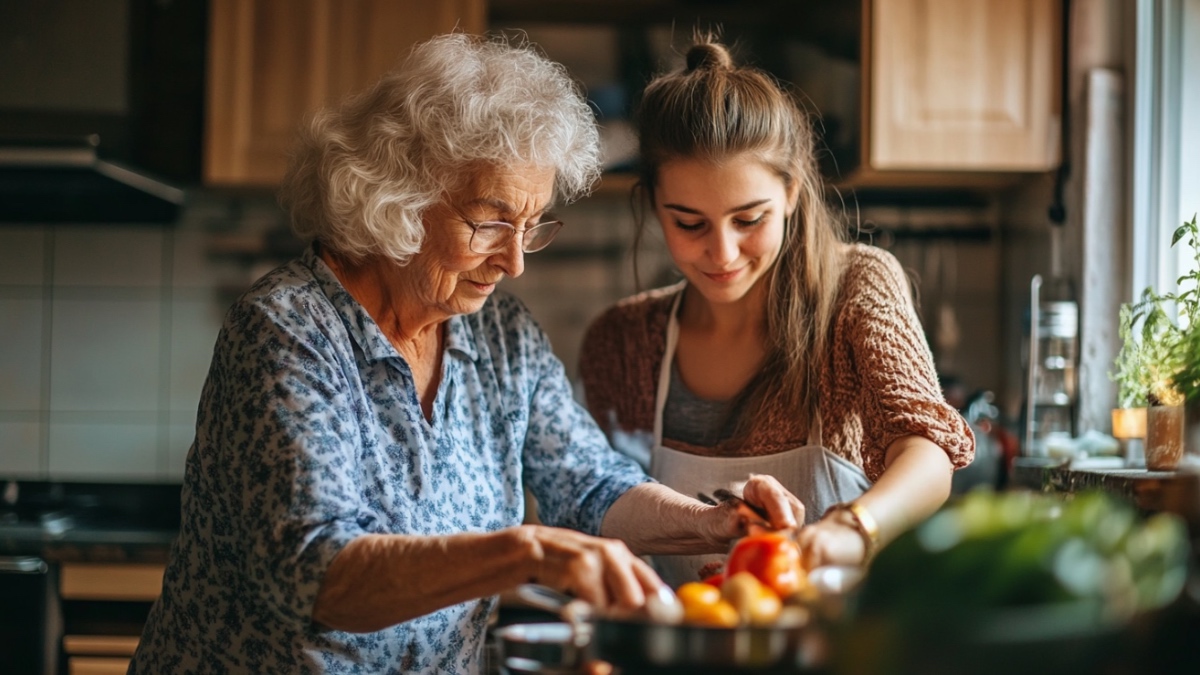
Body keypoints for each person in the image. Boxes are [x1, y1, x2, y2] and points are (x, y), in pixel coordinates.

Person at [128, 34, 802, 675]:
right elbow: (319, 573)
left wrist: (711, 520)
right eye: (490, 222)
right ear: (399, 193)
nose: (513, 261)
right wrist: (529, 550)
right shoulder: (288, 331)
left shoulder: (499, 332)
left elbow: (590, 483)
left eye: (530, 227)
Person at [580, 37, 976, 587]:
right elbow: (594, 503)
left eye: (749, 220)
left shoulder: (856, 286)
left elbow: (927, 452)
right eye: (689, 224)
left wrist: (851, 529)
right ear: (652, 204)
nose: (722, 254)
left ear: (791, 191)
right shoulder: (621, 341)